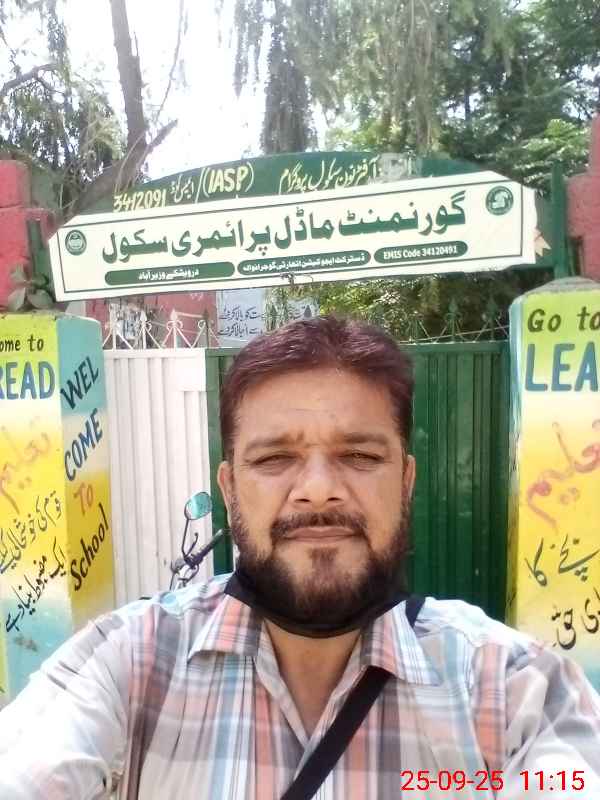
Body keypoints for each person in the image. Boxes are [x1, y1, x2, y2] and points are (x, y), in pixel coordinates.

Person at [0, 315, 599, 800]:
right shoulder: (128, 663)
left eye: (360, 456)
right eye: (273, 459)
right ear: (230, 490)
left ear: (406, 482)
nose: (318, 490)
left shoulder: (514, 689)